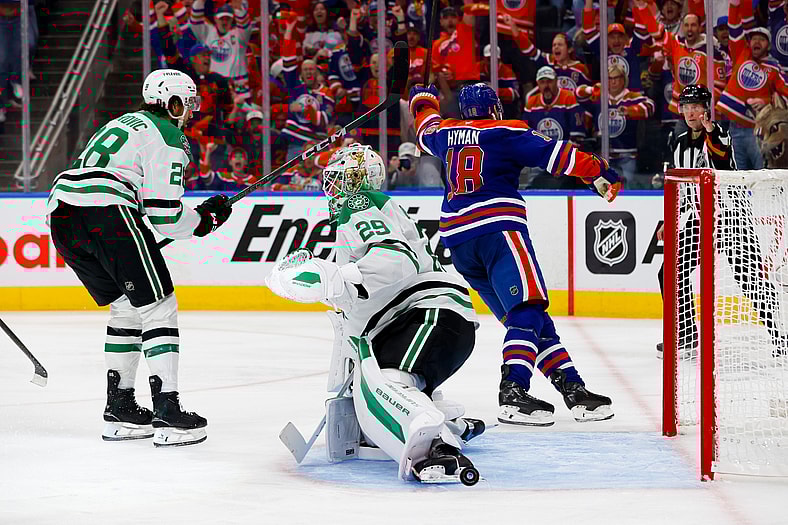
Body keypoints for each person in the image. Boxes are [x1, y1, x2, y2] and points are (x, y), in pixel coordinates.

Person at [266, 143, 484, 484]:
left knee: (388, 384)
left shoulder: (359, 203)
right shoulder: (371, 213)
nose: (333, 189)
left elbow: (396, 260)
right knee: (376, 391)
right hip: (428, 317)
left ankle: (435, 447)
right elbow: (364, 304)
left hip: (428, 313)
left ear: (358, 179)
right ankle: (448, 421)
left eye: (340, 179)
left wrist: (337, 278)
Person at [410, 82, 617, 426]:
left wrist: (423, 100)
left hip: (459, 243)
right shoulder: (506, 131)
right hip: (498, 231)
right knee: (528, 309)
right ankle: (513, 392)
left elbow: (423, 128)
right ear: (493, 109)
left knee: (528, 320)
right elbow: (560, 156)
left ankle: (573, 389)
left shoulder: (444, 133)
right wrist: (599, 170)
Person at [47, 69, 233, 447]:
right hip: (107, 210)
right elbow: (166, 217)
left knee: (126, 308)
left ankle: (120, 409)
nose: (191, 112)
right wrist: (205, 221)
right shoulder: (168, 135)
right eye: (188, 103)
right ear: (173, 103)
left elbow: (138, 196)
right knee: (158, 307)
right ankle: (168, 412)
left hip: (62, 211)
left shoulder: (124, 122)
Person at [656, 84, 786, 358]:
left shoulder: (719, 134)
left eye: (696, 107)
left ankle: (780, 335)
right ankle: (686, 337)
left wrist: (711, 131)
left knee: (749, 280)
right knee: (669, 271)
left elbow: (723, 161)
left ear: (706, 109)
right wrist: (669, 219)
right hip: (700, 220)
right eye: (686, 107)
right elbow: (680, 187)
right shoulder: (678, 142)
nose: (691, 112)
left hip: (731, 218)